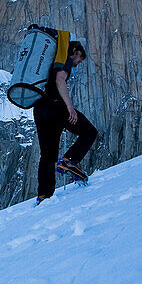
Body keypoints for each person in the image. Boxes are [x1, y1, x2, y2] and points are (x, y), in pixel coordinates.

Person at [33, 39, 97, 203]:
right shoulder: (65, 59)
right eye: (79, 59)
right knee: (89, 132)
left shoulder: (47, 65)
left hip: (40, 111)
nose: (77, 63)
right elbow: (60, 80)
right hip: (57, 108)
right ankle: (69, 160)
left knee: (47, 155)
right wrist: (70, 107)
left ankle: (44, 195)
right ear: (75, 52)